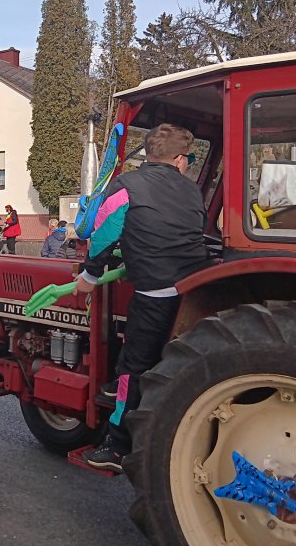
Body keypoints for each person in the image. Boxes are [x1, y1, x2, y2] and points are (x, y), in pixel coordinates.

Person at [76, 123, 210, 473]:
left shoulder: (126, 185)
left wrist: (89, 276)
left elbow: (103, 234)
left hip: (155, 292)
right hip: (196, 290)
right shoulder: (192, 190)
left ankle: (116, 447)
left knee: (132, 371)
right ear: (179, 160)